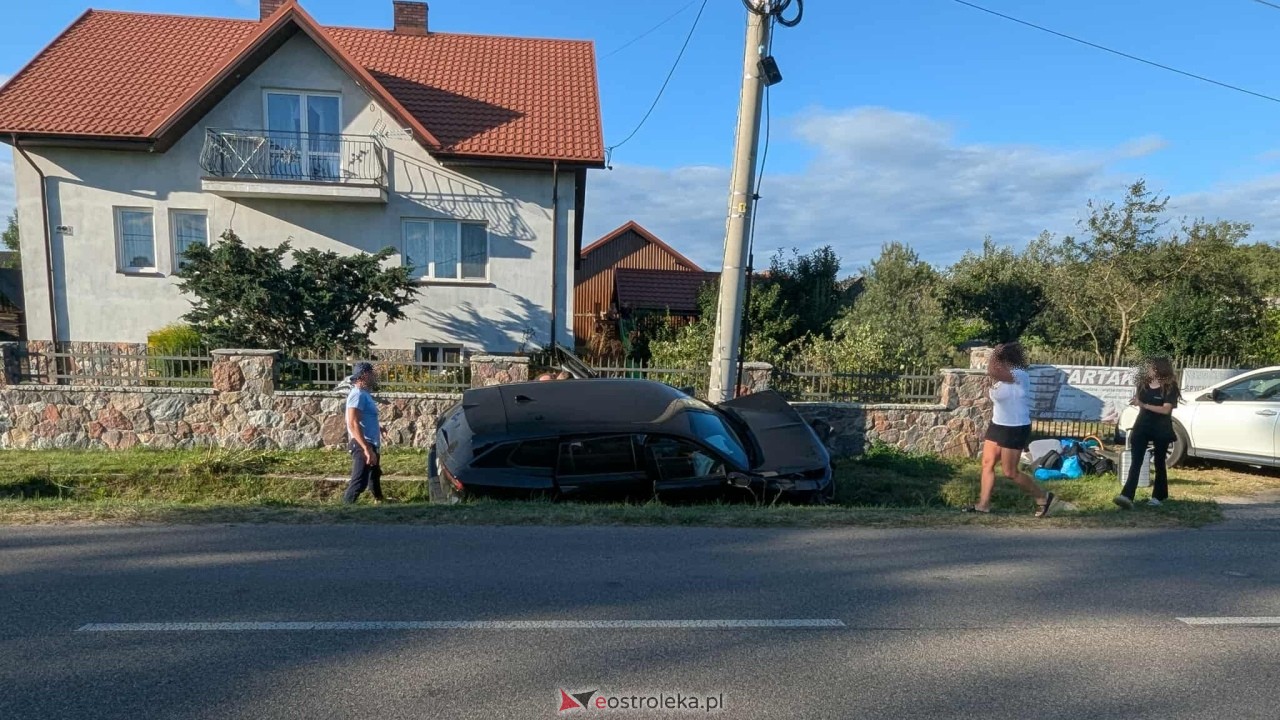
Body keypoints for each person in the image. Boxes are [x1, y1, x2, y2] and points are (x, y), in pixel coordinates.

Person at [964, 342, 1056, 517]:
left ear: (1008, 360)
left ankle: (1043, 497)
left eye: (1000, 359)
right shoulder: (1000, 381)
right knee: (987, 463)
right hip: (998, 424)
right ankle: (983, 504)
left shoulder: (1019, 375)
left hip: (1015, 427)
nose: (996, 363)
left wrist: (994, 355)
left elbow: (994, 371)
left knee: (1009, 472)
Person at [1115, 358, 1180, 509]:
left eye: (1151, 367)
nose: (1148, 370)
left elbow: (1166, 409)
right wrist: (1137, 402)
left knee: (1159, 463)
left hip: (1161, 428)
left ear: (1159, 369)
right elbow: (1140, 403)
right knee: (1136, 461)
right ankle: (1126, 496)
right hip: (1142, 426)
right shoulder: (1143, 384)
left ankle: (1159, 496)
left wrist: (1144, 404)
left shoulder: (1170, 387)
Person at [343, 361, 385, 504]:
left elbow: (364, 418)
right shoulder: (357, 394)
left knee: (374, 474)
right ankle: (345, 508)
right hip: (363, 443)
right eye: (372, 373)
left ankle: (379, 500)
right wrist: (366, 448)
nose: (374, 376)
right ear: (365, 375)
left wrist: (378, 428)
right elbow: (353, 422)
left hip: (370, 442)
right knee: (359, 481)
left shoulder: (364, 394)